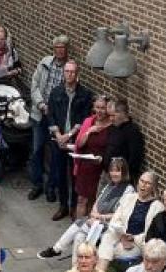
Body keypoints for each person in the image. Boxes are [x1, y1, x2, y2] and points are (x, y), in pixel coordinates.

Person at [37, 157, 134, 261]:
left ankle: (57, 249)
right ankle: (75, 268)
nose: (113, 173)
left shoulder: (128, 190)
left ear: (124, 172)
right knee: (79, 236)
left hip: (112, 225)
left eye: (117, 171)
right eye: (112, 170)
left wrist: (99, 217)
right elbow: (97, 202)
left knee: (80, 224)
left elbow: (121, 214)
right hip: (98, 221)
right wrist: (94, 213)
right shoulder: (109, 186)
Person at [47, 60, 94, 221]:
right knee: (60, 174)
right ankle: (63, 206)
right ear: (63, 73)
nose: (70, 74)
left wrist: (69, 134)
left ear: (77, 74)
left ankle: (74, 206)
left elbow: (85, 118)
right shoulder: (55, 92)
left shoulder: (85, 95)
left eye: (73, 72)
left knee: (75, 176)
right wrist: (58, 134)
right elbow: (51, 115)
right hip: (58, 140)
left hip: (75, 141)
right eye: (67, 71)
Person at [28, 35, 70, 201]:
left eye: (63, 47)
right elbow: (35, 85)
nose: (60, 50)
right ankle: (37, 184)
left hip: (56, 118)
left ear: (67, 49)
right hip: (40, 113)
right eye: (57, 47)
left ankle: (51, 186)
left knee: (54, 153)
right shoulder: (45, 63)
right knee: (37, 149)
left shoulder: (69, 68)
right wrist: (41, 104)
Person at [96, 170, 164, 270]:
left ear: (153, 187)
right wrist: (122, 235)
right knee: (106, 240)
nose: (143, 185)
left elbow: (151, 234)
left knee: (101, 252)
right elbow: (115, 220)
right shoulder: (128, 198)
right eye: (141, 181)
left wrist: (133, 238)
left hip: (137, 243)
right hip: (119, 236)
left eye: (147, 183)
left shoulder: (158, 207)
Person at [71, 95, 112, 217]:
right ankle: (78, 227)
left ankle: (89, 229)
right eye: (97, 107)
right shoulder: (89, 121)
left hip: (99, 168)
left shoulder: (111, 126)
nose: (99, 111)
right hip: (86, 167)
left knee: (94, 202)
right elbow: (79, 144)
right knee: (81, 199)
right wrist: (89, 132)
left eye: (103, 108)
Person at [104, 98, 146, 184]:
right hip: (107, 174)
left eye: (113, 115)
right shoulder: (113, 128)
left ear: (122, 114)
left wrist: (123, 176)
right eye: (109, 116)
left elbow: (135, 158)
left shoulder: (132, 132)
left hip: (121, 179)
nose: (111, 119)